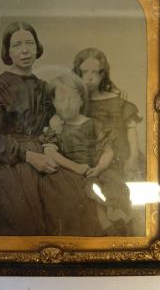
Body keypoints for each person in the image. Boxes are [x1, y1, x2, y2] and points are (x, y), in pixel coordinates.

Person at [0, 22, 59, 235]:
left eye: (30, 43)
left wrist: (50, 146)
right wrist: (30, 157)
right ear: (8, 51)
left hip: (42, 159)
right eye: (17, 45)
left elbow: (50, 126)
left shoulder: (43, 87)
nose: (25, 50)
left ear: (37, 47)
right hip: (6, 163)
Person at [42, 72, 133, 235]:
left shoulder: (93, 124)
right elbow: (50, 152)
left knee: (113, 185)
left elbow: (108, 152)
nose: (67, 105)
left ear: (81, 100)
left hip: (95, 170)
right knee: (82, 195)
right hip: (69, 172)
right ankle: (106, 227)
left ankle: (115, 220)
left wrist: (98, 168)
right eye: (61, 100)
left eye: (72, 99)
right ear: (54, 103)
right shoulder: (55, 128)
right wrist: (76, 167)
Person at [72, 47, 146, 235]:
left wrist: (133, 157)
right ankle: (109, 229)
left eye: (94, 72)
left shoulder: (116, 100)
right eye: (84, 72)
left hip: (121, 155)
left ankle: (124, 227)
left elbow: (131, 130)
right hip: (94, 157)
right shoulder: (76, 104)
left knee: (120, 191)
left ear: (102, 74)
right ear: (77, 73)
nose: (89, 78)